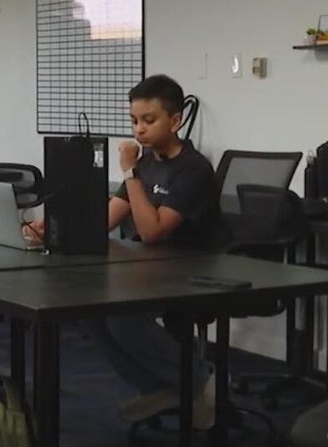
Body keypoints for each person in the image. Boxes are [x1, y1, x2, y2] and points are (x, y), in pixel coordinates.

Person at [24, 74, 226, 427]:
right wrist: (56, 230)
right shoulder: (147, 164)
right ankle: (164, 387)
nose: (139, 129)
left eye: (149, 120)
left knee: (120, 313)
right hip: (150, 268)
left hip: (191, 270)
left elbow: (151, 232)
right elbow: (105, 219)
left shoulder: (193, 169)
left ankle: (198, 382)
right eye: (134, 121)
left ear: (175, 121)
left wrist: (130, 173)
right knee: (90, 308)